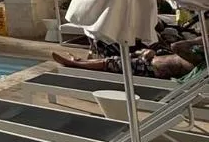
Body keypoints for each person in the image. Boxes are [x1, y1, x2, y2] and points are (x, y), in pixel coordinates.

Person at [51, 38, 203, 80]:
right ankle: (80, 61)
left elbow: (176, 46)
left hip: (152, 70)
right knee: (116, 59)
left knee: (112, 63)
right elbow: (172, 51)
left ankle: (75, 65)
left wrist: (200, 40)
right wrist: (152, 52)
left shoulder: (198, 60)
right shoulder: (199, 57)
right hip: (152, 60)